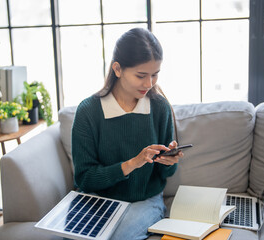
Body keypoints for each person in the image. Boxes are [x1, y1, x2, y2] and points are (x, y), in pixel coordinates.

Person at [71, 28, 184, 240]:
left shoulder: (159, 107)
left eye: (155, 74)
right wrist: (133, 163)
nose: (149, 84)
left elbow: (165, 175)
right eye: (141, 75)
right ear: (118, 69)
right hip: (98, 199)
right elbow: (85, 179)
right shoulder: (88, 111)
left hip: (145, 200)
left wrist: (169, 162)